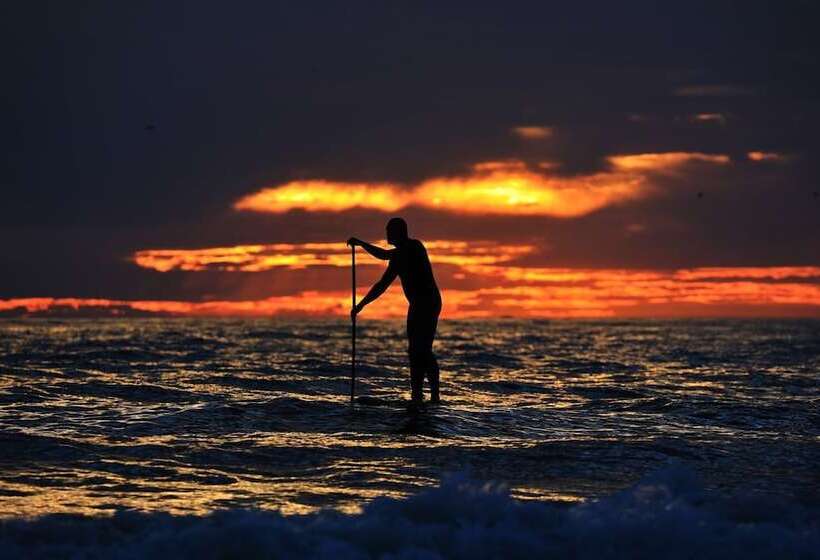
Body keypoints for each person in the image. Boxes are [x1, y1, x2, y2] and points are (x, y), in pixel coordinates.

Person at [348, 218, 442, 403]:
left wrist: (360, 244)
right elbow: (381, 286)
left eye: (390, 231)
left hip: (428, 303)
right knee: (415, 350)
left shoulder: (414, 247)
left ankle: (434, 395)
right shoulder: (398, 258)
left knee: (422, 349)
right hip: (416, 305)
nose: (387, 234)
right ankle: (417, 394)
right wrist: (361, 305)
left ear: (399, 232)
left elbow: (383, 255)